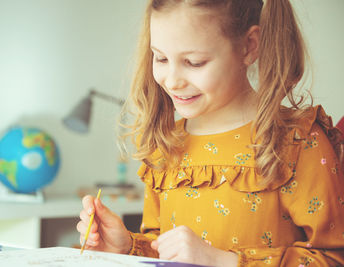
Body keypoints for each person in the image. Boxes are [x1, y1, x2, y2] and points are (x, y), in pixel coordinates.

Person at [76, 0, 344, 266]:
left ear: (250, 45)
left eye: (194, 62)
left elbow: (332, 258)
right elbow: (166, 250)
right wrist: (127, 246)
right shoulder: (167, 144)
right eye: (160, 58)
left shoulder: (297, 143)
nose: (172, 80)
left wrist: (222, 261)